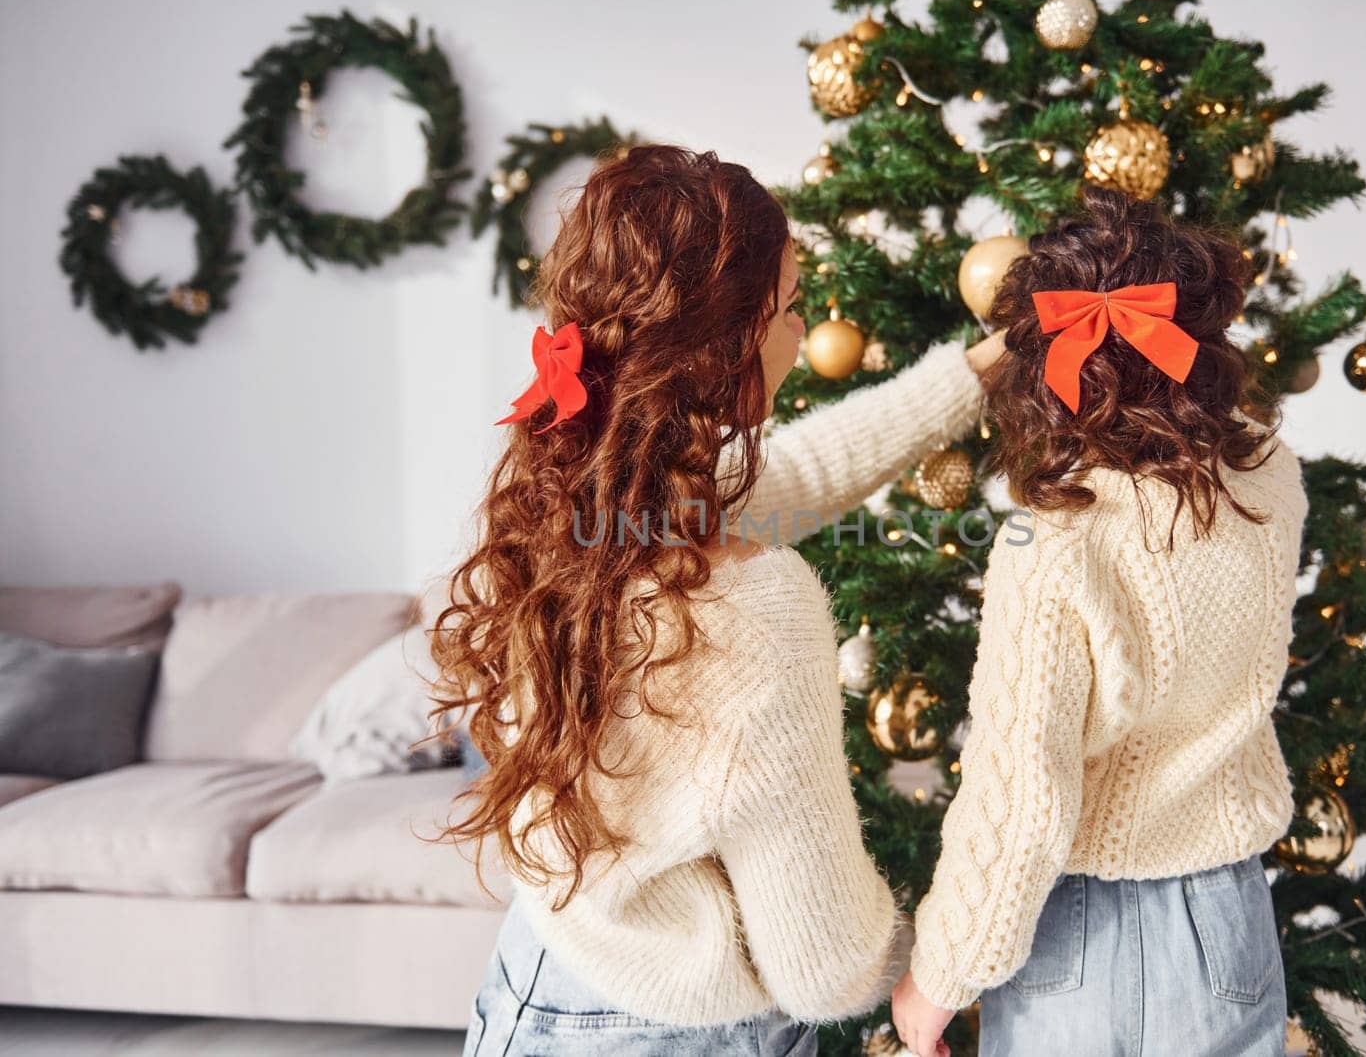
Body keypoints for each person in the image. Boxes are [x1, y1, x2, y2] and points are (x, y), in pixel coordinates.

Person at [424, 144, 1007, 1057]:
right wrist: (938, 960)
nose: (801, 334)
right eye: (790, 308)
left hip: (541, 979)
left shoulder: (568, 496)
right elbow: (825, 969)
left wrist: (974, 376)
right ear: (730, 342)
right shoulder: (755, 610)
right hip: (675, 1034)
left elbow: (806, 471)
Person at [891, 187, 1305, 1057]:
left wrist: (941, 974)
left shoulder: (1055, 536)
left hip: (1081, 928)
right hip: (1230, 910)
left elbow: (1022, 792)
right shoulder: (1272, 480)